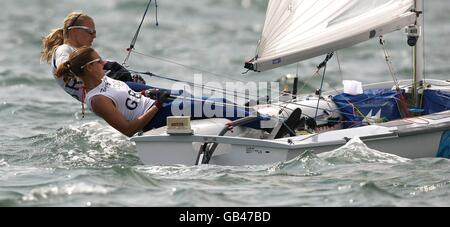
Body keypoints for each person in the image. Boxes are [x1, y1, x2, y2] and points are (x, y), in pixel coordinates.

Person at [55, 47, 266, 137]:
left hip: (157, 107)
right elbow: (128, 130)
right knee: (215, 105)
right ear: (90, 67)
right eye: (99, 60)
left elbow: (130, 99)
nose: (104, 62)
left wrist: (148, 95)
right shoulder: (97, 99)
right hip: (154, 119)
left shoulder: (105, 79)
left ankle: (259, 119)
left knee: (216, 100)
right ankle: (270, 124)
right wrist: (155, 106)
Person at [41, 12, 145, 102]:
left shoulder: (77, 52)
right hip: (110, 95)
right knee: (159, 96)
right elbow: (64, 66)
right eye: (90, 31)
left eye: (95, 32)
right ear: (74, 31)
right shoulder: (64, 49)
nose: (94, 36)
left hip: (112, 95)